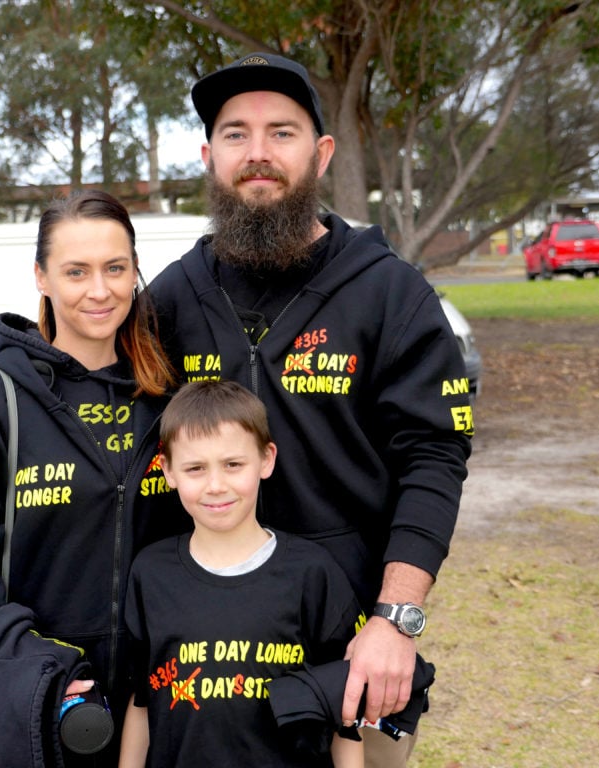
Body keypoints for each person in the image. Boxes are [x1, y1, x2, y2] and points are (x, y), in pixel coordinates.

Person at [148, 53, 474, 767]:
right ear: (209, 156)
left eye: (282, 132)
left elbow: (434, 459)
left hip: (353, 652)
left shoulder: (391, 294)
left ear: (320, 153)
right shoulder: (170, 299)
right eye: (235, 134)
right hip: (204, 664)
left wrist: (395, 620)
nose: (258, 154)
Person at [0, 190, 182, 768]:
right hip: (44, 701)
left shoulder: (170, 395)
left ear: (136, 271)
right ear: (41, 277)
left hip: (163, 696)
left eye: (116, 268)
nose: (100, 290)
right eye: (76, 271)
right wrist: (30, 666)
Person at [119, 380, 365, 768]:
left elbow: (344, 713)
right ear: (167, 470)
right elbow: (141, 701)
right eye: (195, 468)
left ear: (266, 460)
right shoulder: (150, 574)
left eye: (233, 464)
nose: (216, 485)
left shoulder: (311, 573)